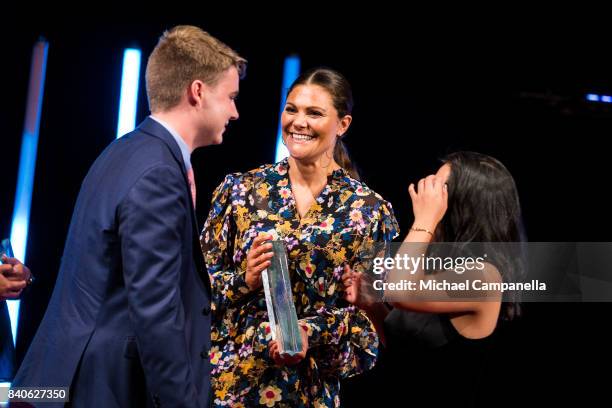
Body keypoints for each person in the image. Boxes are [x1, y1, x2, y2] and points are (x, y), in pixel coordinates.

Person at [12, 25, 246, 408]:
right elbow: (156, 312)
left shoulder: (124, 151)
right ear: (198, 91)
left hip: (57, 378)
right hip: (98, 388)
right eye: (231, 97)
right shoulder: (159, 173)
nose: (236, 112)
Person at [200, 67, 399, 407]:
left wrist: (311, 333)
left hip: (309, 394)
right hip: (229, 389)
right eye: (291, 109)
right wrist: (244, 280)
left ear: (343, 125)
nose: (298, 122)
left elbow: (371, 328)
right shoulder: (240, 192)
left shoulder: (370, 212)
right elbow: (193, 291)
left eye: (314, 113)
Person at [343, 151, 524, 405]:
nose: (429, 196)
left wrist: (425, 218)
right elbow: (408, 348)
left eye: (440, 189)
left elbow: (399, 291)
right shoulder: (438, 264)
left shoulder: (484, 275)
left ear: (462, 204)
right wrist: (371, 306)